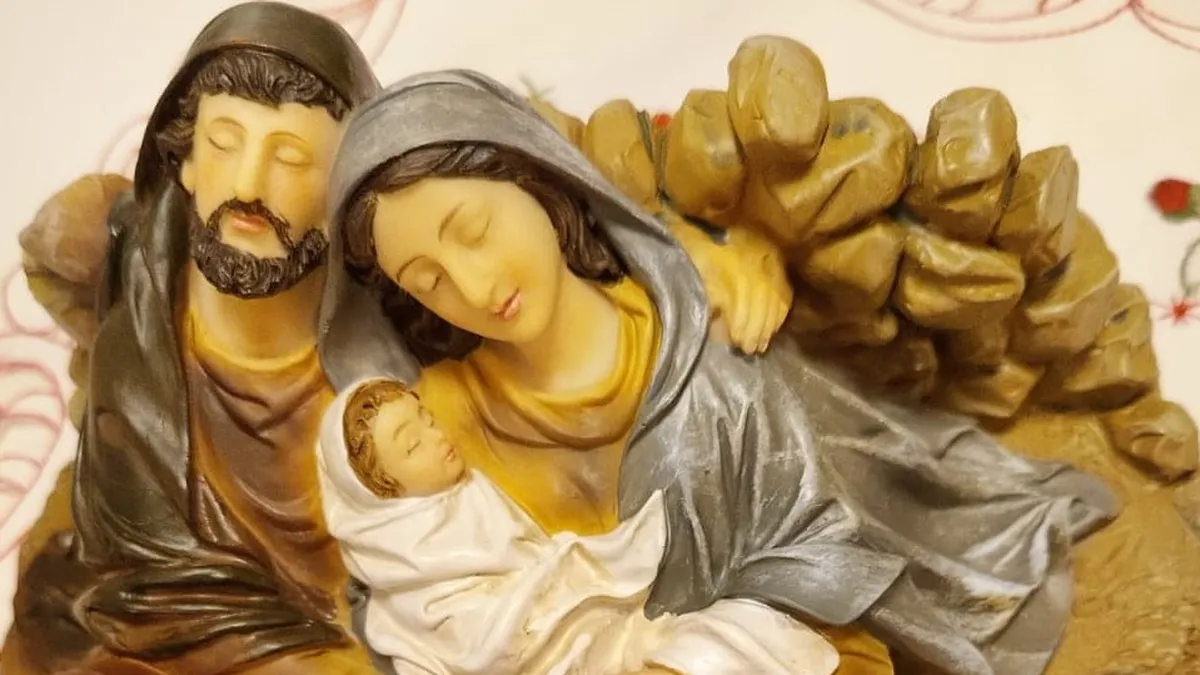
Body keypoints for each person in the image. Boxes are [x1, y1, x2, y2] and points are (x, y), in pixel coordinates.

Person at [316, 69, 1121, 675]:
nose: (473, 287)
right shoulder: (435, 424)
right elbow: (408, 593)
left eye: (474, 229)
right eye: (426, 280)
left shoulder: (709, 352)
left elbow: (824, 543)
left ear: (536, 181)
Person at [1, 3, 383, 673]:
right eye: (225, 142)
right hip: (119, 623)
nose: (248, 186)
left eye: (289, 157)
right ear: (184, 161)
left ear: (344, 187)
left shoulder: (385, 365)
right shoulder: (134, 288)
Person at [316, 376, 842, 675]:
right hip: (550, 659)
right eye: (412, 445)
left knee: (727, 634)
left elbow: (530, 557)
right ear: (382, 490)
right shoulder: (405, 579)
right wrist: (545, 589)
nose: (436, 437)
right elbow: (477, 643)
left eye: (427, 419)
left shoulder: (470, 492)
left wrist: (569, 570)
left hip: (591, 631)